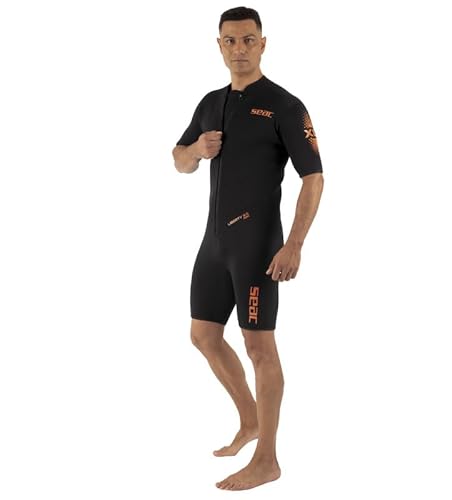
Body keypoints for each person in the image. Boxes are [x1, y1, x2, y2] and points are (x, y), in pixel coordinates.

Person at [172, 6, 324, 491]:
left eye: (248, 40)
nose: (239, 49)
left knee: (259, 347)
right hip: (215, 243)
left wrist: (294, 245)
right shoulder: (210, 103)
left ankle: (267, 460)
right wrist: (196, 151)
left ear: (263, 43)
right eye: (230, 41)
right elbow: (178, 160)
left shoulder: (284, 106)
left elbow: (314, 177)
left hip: (258, 245)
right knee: (203, 335)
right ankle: (250, 419)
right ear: (219, 46)